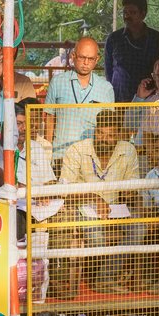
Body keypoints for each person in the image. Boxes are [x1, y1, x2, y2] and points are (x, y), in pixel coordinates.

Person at [51, 108, 141, 295]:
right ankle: (96, 279)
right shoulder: (77, 149)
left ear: (119, 134)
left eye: (110, 135)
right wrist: (93, 197)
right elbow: (64, 190)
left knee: (139, 227)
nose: (104, 138)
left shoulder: (128, 150)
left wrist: (130, 197)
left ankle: (106, 278)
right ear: (95, 131)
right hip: (84, 207)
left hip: (117, 207)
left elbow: (133, 185)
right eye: (100, 132)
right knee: (96, 237)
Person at [44, 36, 115, 165]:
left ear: (97, 59)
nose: (86, 63)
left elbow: (109, 127)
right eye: (82, 57)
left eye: (91, 59)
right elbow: (50, 119)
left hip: (91, 159)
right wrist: (48, 154)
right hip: (61, 157)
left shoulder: (106, 88)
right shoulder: (57, 82)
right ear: (73, 56)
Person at [106, 0, 159, 102]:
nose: (127, 16)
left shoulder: (156, 39)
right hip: (120, 100)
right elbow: (108, 71)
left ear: (143, 14)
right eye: (125, 13)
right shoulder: (114, 39)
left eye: (132, 13)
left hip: (148, 100)